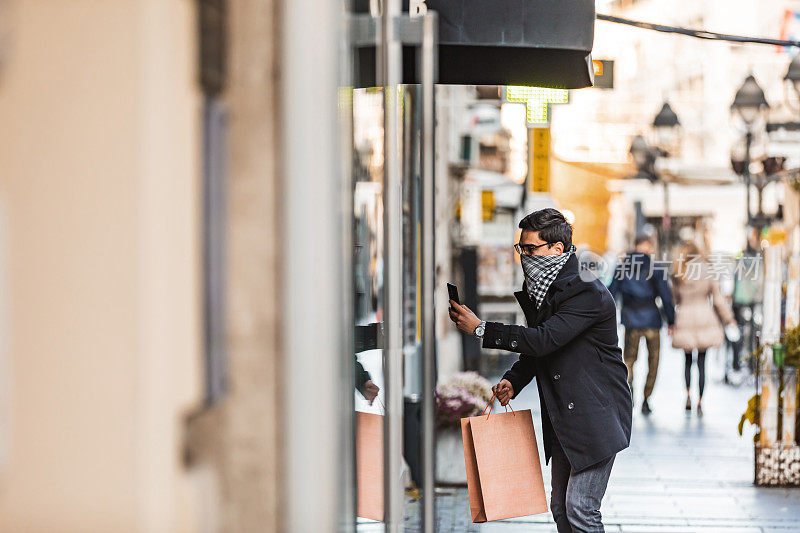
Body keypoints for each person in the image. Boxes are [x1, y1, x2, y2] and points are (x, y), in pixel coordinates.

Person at [448, 208, 632, 533]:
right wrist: (513, 380)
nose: (525, 256)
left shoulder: (587, 292)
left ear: (557, 250)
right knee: (560, 508)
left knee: (580, 509)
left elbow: (545, 339)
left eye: (531, 249)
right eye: (522, 248)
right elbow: (539, 352)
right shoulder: (546, 291)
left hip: (595, 416)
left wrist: (482, 329)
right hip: (565, 416)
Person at [608, 235, 675, 415]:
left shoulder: (622, 266)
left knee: (629, 359)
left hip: (631, 319)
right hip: (652, 319)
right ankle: (646, 398)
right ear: (647, 246)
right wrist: (671, 320)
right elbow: (666, 296)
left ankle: (629, 390)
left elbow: (610, 293)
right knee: (653, 361)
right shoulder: (655, 267)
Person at [671, 241, 736, 417]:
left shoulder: (679, 270)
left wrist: (671, 319)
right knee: (701, 362)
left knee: (686, 361)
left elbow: (674, 299)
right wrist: (729, 318)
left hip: (684, 317)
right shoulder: (708, 269)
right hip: (704, 317)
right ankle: (700, 401)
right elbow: (717, 299)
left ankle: (687, 395)